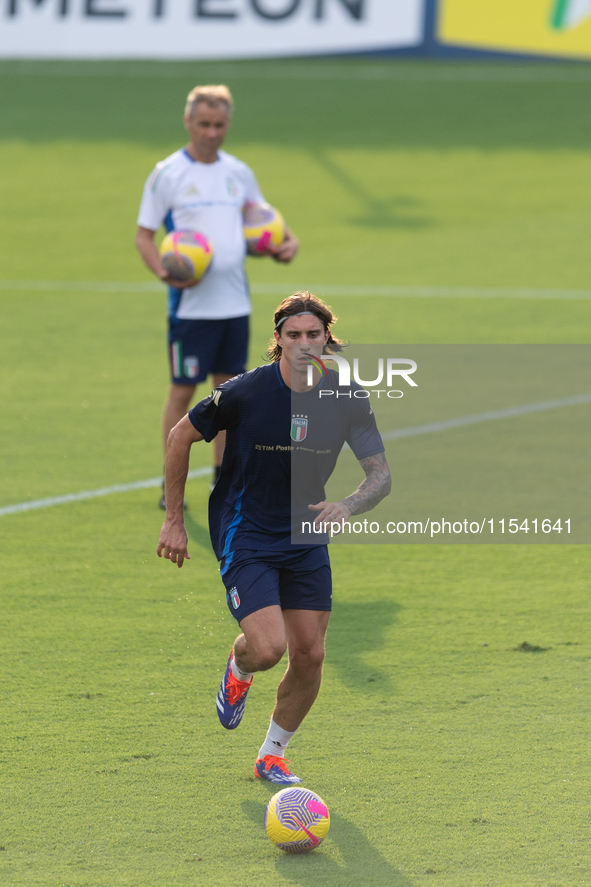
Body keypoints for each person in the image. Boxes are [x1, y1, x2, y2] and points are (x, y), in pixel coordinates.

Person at [157, 292, 391, 784]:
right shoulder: (244, 392)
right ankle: (239, 670)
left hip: (305, 538)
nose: (304, 344)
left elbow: (380, 475)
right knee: (268, 650)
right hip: (249, 531)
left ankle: (271, 756)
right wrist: (174, 520)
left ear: (327, 338)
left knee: (311, 656)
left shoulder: (346, 398)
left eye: (313, 335)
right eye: (293, 336)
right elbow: (181, 435)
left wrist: (347, 505)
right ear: (278, 341)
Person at [135, 84, 299, 507]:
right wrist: (163, 273)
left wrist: (285, 245)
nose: (211, 132)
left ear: (228, 125)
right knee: (182, 392)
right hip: (191, 308)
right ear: (188, 122)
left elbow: (265, 222)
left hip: (234, 305)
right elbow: (144, 237)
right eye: (204, 124)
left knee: (228, 397)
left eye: (219, 125)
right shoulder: (168, 173)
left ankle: (220, 483)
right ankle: (169, 486)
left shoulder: (237, 172)